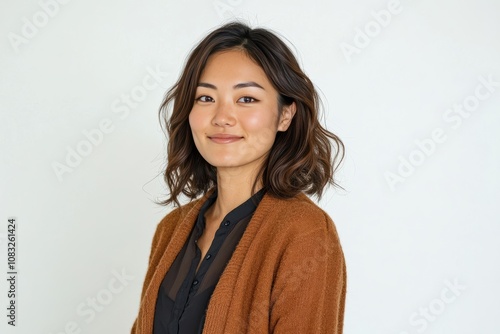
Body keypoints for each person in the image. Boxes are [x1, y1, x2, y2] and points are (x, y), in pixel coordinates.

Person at [131, 21, 346, 334]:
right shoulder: (170, 230)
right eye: (205, 98)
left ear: (285, 115)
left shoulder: (305, 233)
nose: (222, 117)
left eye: (247, 99)